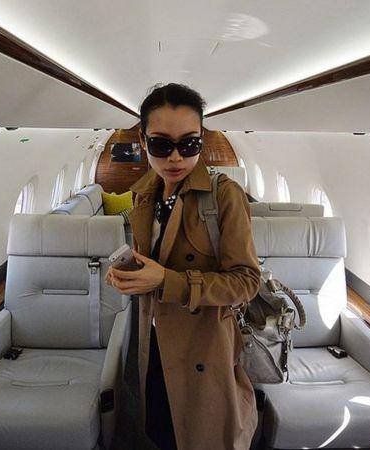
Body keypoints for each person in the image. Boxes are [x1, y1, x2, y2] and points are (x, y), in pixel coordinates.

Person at [105, 83, 260, 450]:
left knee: (202, 436)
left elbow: (246, 281)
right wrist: (130, 274)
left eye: (189, 144)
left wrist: (167, 280)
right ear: (143, 141)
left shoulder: (224, 195)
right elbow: (153, 264)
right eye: (161, 145)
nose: (175, 158)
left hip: (205, 345)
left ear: (201, 140)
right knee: (160, 431)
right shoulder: (145, 195)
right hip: (154, 339)